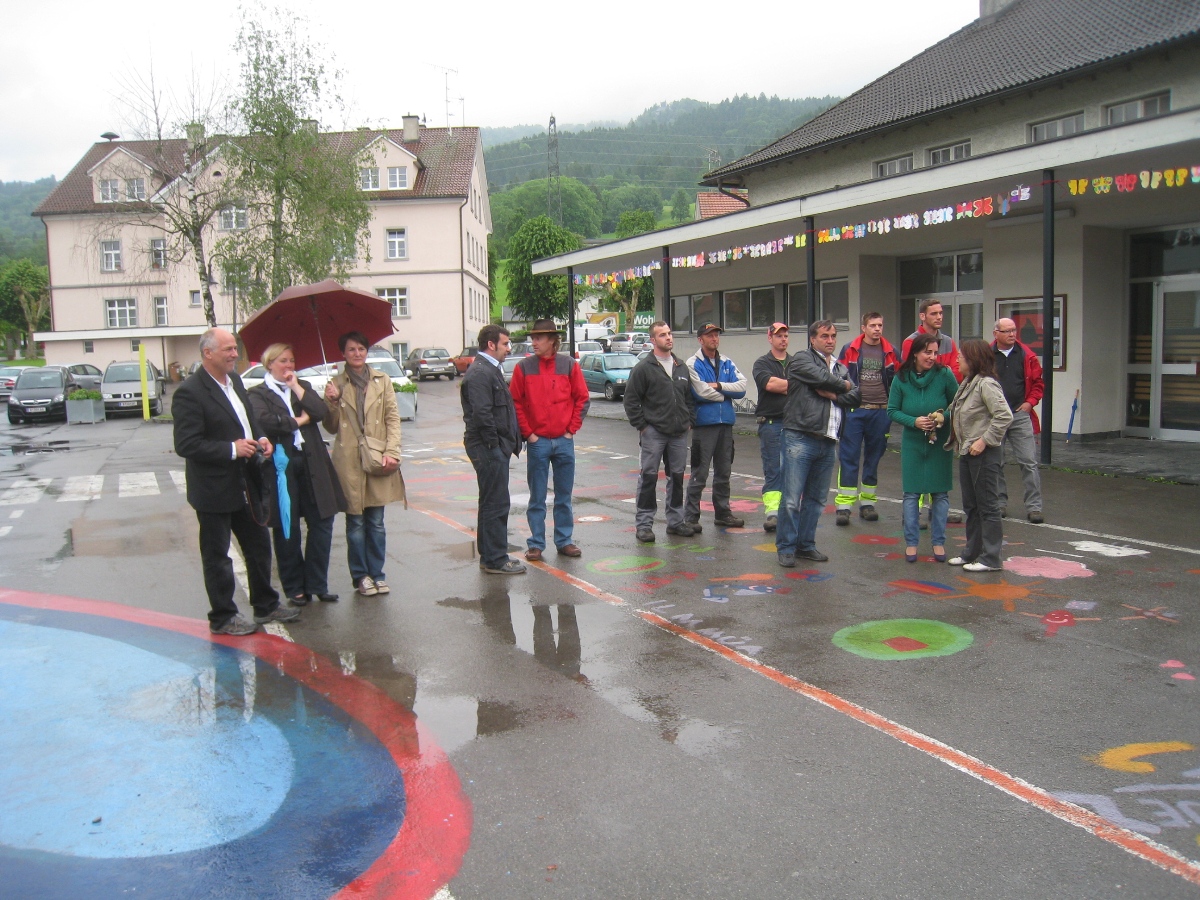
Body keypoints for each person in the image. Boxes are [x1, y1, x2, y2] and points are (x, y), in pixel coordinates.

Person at [172, 327, 299, 635]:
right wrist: (232, 449)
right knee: (218, 556)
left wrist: (262, 438)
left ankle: (265, 605)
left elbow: (249, 421)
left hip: (246, 482)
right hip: (213, 487)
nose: (235, 354)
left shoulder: (236, 382)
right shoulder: (190, 392)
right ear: (208, 353)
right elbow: (186, 444)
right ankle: (223, 616)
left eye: (234, 348)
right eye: (228, 349)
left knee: (258, 546)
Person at [247, 342, 346, 606]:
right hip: (283, 465)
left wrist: (295, 387)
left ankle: (317, 583)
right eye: (283, 361)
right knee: (287, 526)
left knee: (322, 522)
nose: (289, 365)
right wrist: (300, 421)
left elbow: (320, 412)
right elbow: (266, 422)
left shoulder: (302, 387)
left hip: (313, 461)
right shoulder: (258, 394)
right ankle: (294, 587)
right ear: (269, 364)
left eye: (291, 360)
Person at [323, 331, 406, 596]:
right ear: (343, 353)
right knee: (356, 522)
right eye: (351, 349)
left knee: (377, 521)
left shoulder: (382, 381)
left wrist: (392, 451)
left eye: (361, 348)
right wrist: (332, 402)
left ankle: (378, 574)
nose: (357, 353)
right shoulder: (336, 384)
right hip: (349, 460)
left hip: (377, 456)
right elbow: (331, 426)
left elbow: (393, 418)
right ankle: (361, 576)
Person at [776, 320, 861, 567]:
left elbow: (857, 395)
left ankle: (805, 545)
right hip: (800, 436)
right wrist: (843, 386)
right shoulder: (801, 359)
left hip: (829, 439)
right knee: (791, 499)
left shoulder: (840, 366)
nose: (830, 340)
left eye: (833, 336)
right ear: (813, 339)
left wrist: (833, 393)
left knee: (816, 500)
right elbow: (822, 378)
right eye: (825, 336)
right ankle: (786, 547)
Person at [510, 318, 589, 562]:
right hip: (538, 442)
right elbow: (515, 402)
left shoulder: (568, 365)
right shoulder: (523, 368)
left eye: (539, 338)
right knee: (537, 496)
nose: (534, 342)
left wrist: (571, 430)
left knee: (564, 495)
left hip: (564, 441)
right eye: (533, 338)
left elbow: (582, 398)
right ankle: (536, 543)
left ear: (552, 340)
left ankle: (564, 540)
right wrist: (529, 434)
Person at [887, 333, 959, 563]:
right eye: (927, 352)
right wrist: (914, 421)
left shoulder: (945, 374)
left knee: (940, 493)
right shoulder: (901, 378)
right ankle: (911, 543)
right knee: (911, 493)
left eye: (935, 353)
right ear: (915, 353)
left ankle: (938, 542)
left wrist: (943, 417)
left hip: (939, 442)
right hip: (913, 442)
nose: (932, 357)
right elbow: (892, 410)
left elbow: (957, 404)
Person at [461, 324, 525, 574]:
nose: (509, 348)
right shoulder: (480, 372)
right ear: (491, 344)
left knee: (491, 501)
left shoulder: (489, 369)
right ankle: (495, 559)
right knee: (496, 503)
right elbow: (482, 414)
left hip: (491, 447)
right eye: (505, 343)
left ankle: (489, 555)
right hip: (487, 448)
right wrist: (495, 446)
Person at [623, 321, 696, 544]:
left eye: (669, 333)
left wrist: (689, 421)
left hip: (679, 433)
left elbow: (689, 398)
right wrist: (643, 426)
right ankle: (644, 525)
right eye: (663, 335)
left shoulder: (681, 367)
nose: (668, 338)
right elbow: (631, 400)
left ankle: (675, 521)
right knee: (649, 476)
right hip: (653, 432)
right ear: (653, 340)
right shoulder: (644, 368)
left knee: (677, 477)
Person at [945, 339, 1013, 572]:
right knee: (971, 506)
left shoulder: (986, 384)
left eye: (962, 356)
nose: (957, 359)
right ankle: (971, 553)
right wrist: (940, 417)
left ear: (973, 360)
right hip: (967, 450)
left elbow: (1004, 416)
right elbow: (956, 409)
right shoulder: (967, 383)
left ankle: (991, 558)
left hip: (984, 453)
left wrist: (984, 441)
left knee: (988, 506)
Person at [902, 298, 963, 527]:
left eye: (941, 313)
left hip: (940, 407)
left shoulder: (948, 341)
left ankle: (937, 512)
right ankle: (914, 514)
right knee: (917, 471)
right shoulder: (911, 342)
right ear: (922, 316)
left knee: (938, 469)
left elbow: (955, 371)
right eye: (934, 313)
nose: (939, 317)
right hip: (919, 413)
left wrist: (941, 380)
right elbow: (909, 372)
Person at [834, 312, 899, 526]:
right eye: (873, 325)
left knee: (874, 458)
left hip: (881, 411)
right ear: (864, 328)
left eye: (880, 325)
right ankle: (844, 507)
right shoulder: (850, 349)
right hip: (855, 411)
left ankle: (868, 504)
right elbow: (839, 377)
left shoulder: (891, 351)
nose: (877, 329)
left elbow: (900, 379)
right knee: (849, 457)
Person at [684, 322, 747, 531]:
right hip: (704, 426)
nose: (714, 338)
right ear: (700, 339)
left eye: (716, 335)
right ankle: (691, 517)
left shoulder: (727, 362)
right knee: (699, 473)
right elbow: (700, 392)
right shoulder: (693, 363)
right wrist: (726, 394)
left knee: (724, 472)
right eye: (709, 335)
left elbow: (742, 387)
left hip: (726, 425)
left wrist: (719, 385)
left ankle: (723, 513)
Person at [992, 317, 1045, 523]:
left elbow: (1038, 383)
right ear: (996, 334)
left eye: (1014, 330)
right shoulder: (987, 355)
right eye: (1007, 331)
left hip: (1020, 415)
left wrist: (1029, 403)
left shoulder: (1027, 355)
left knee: (1029, 462)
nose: (1012, 334)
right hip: (995, 416)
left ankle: (1034, 507)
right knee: (996, 462)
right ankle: (999, 503)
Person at [752, 323, 791, 532]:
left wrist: (784, 385)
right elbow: (769, 384)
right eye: (778, 336)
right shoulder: (762, 363)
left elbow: (803, 387)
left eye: (785, 335)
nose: (783, 339)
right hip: (771, 423)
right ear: (770, 338)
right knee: (773, 468)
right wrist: (794, 385)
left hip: (793, 424)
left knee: (793, 469)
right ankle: (773, 513)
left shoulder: (795, 362)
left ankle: (789, 511)